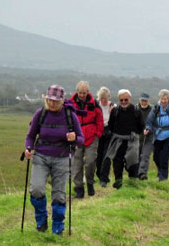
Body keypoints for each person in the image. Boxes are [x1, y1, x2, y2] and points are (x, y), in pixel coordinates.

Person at [25, 85, 84, 235]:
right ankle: (41, 220)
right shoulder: (41, 113)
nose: (52, 104)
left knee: (59, 194)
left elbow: (81, 139)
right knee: (36, 190)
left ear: (62, 101)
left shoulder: (70, 116)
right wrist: (28, 147)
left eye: (55, 101)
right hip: (41, 156)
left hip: (62, 157)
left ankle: (58, 226)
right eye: (49, 100)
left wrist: (74, 138)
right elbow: (31, 135)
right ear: (46, 99)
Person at [103, 89, 145, 189]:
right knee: (117, 162)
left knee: (133, 160)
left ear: (129, 99)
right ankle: (118, 181)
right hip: (118, 140)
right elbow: (111, 125)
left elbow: (141, 126)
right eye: (121, 100)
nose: (123, 102)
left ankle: (133, 181)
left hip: (132, 140)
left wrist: (133, 135)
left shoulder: (136, 111)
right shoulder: (115, 111)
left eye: (125, 100)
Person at [70, 81, 104, 198]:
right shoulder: (71, 104)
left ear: (88, 92)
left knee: (90, 162)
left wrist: (98, 133)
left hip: (91, 137)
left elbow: (100, 119)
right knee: (76, 165)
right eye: (80, 93)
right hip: (77, 138)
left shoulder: (94, 104)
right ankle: (79, 189)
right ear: (77, 92)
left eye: (84, 93)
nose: (82, 95)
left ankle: (90, 183)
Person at [144, 89, 169, 181]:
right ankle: (160, 172)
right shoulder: (156, 108)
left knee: (164, 157)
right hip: (157, 136)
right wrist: (148, 129)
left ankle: (163, 178)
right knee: (156, 157)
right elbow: (149, 121)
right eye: (162, 99)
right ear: (159, 98)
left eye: (165, 99)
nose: (164, 101)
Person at [95, 86, 115, 187]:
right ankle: (99, 175)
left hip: (109, 132)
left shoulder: (113, 106)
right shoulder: (96, 105)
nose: (103, 100)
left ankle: (104, 178)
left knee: (107, 156)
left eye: (105, 98)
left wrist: (113, 112)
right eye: (102, 98)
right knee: (98, 157)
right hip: (98, 132)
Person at [136, 93, 153, 180]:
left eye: (145, 100)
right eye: (142, 100)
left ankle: (142, 173)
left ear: (148, 101)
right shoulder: (135, 109)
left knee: (145, 156)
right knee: (136, 156)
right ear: (140, 100)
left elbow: (155, 123)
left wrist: (149, 130)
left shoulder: (152, 110)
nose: (144, 102)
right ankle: (136, 173)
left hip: (149, 137)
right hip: (137, 137)